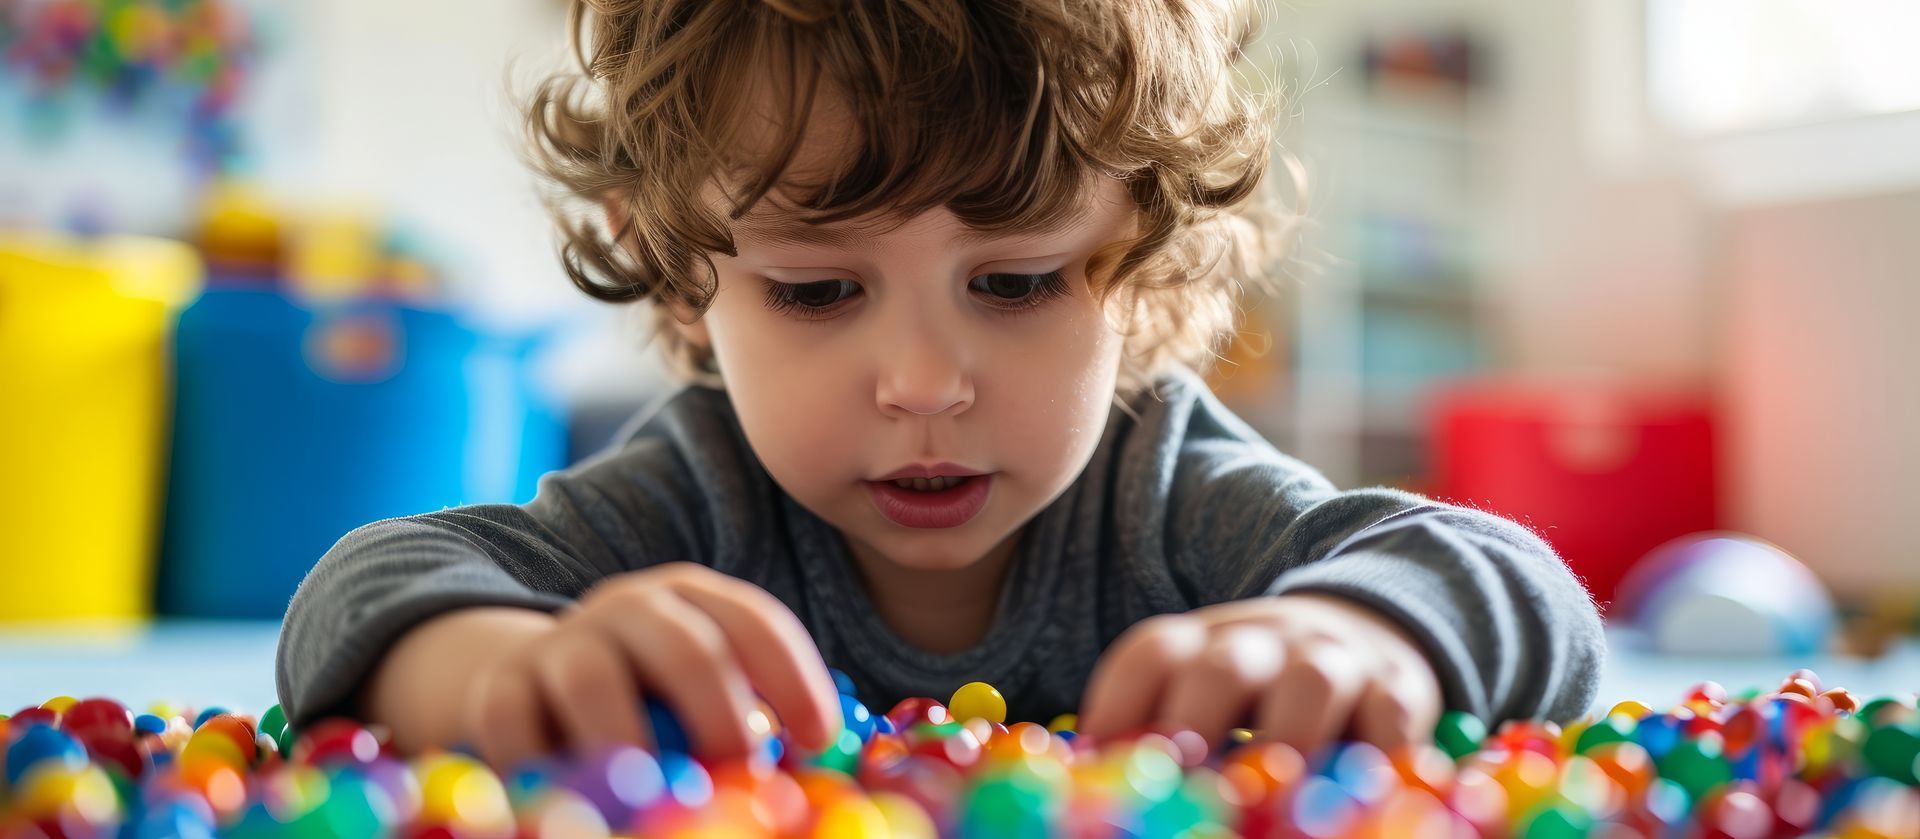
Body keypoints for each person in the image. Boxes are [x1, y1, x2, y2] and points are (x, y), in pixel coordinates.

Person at [276, 0, 1604, 771]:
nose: (922, 385)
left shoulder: (1169, 494)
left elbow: (1513, 582)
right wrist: (503, 666)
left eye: (1016, 282)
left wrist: (1353, 634)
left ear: (1144, 258)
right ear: (679, 273)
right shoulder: (696, 498)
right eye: (816, 292)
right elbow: (366, 584)